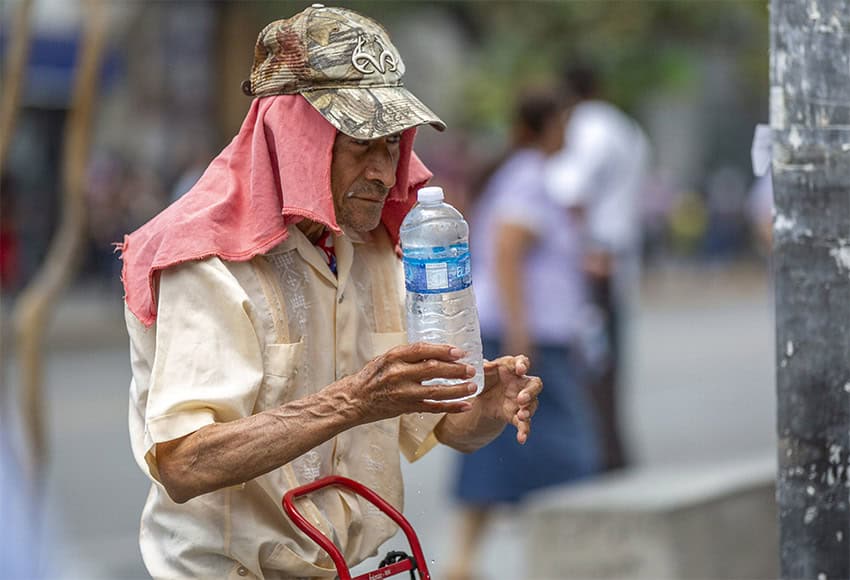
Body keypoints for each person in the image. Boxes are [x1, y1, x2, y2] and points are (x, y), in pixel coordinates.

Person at [119, 6, 542, 579]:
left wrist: (484, 409)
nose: (383, 171)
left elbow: (441, 425)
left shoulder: (370, 249)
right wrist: (353, 400)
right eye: (361, 143)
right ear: (296, 140)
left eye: (392, 145)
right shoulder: (205, 262)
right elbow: (184, 462)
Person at [447, 89, 600, 580]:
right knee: (569, 451)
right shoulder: (530, 178)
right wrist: (520, 334)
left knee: (499, 445)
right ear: (545, 127)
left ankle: (466, 558)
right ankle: (571, 559)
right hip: (526, 338)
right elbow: (508, 249)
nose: (568, 135)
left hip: (527, 333)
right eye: (562, 124)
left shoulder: (523, 176)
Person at [544, 64, 650, 472]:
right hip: (614, 257)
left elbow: (570, 192)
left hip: (590, 261)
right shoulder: (625, 127)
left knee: (586, 369)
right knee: (605, 364)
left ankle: (594, 458)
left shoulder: (590, 127)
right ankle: (610, 453)